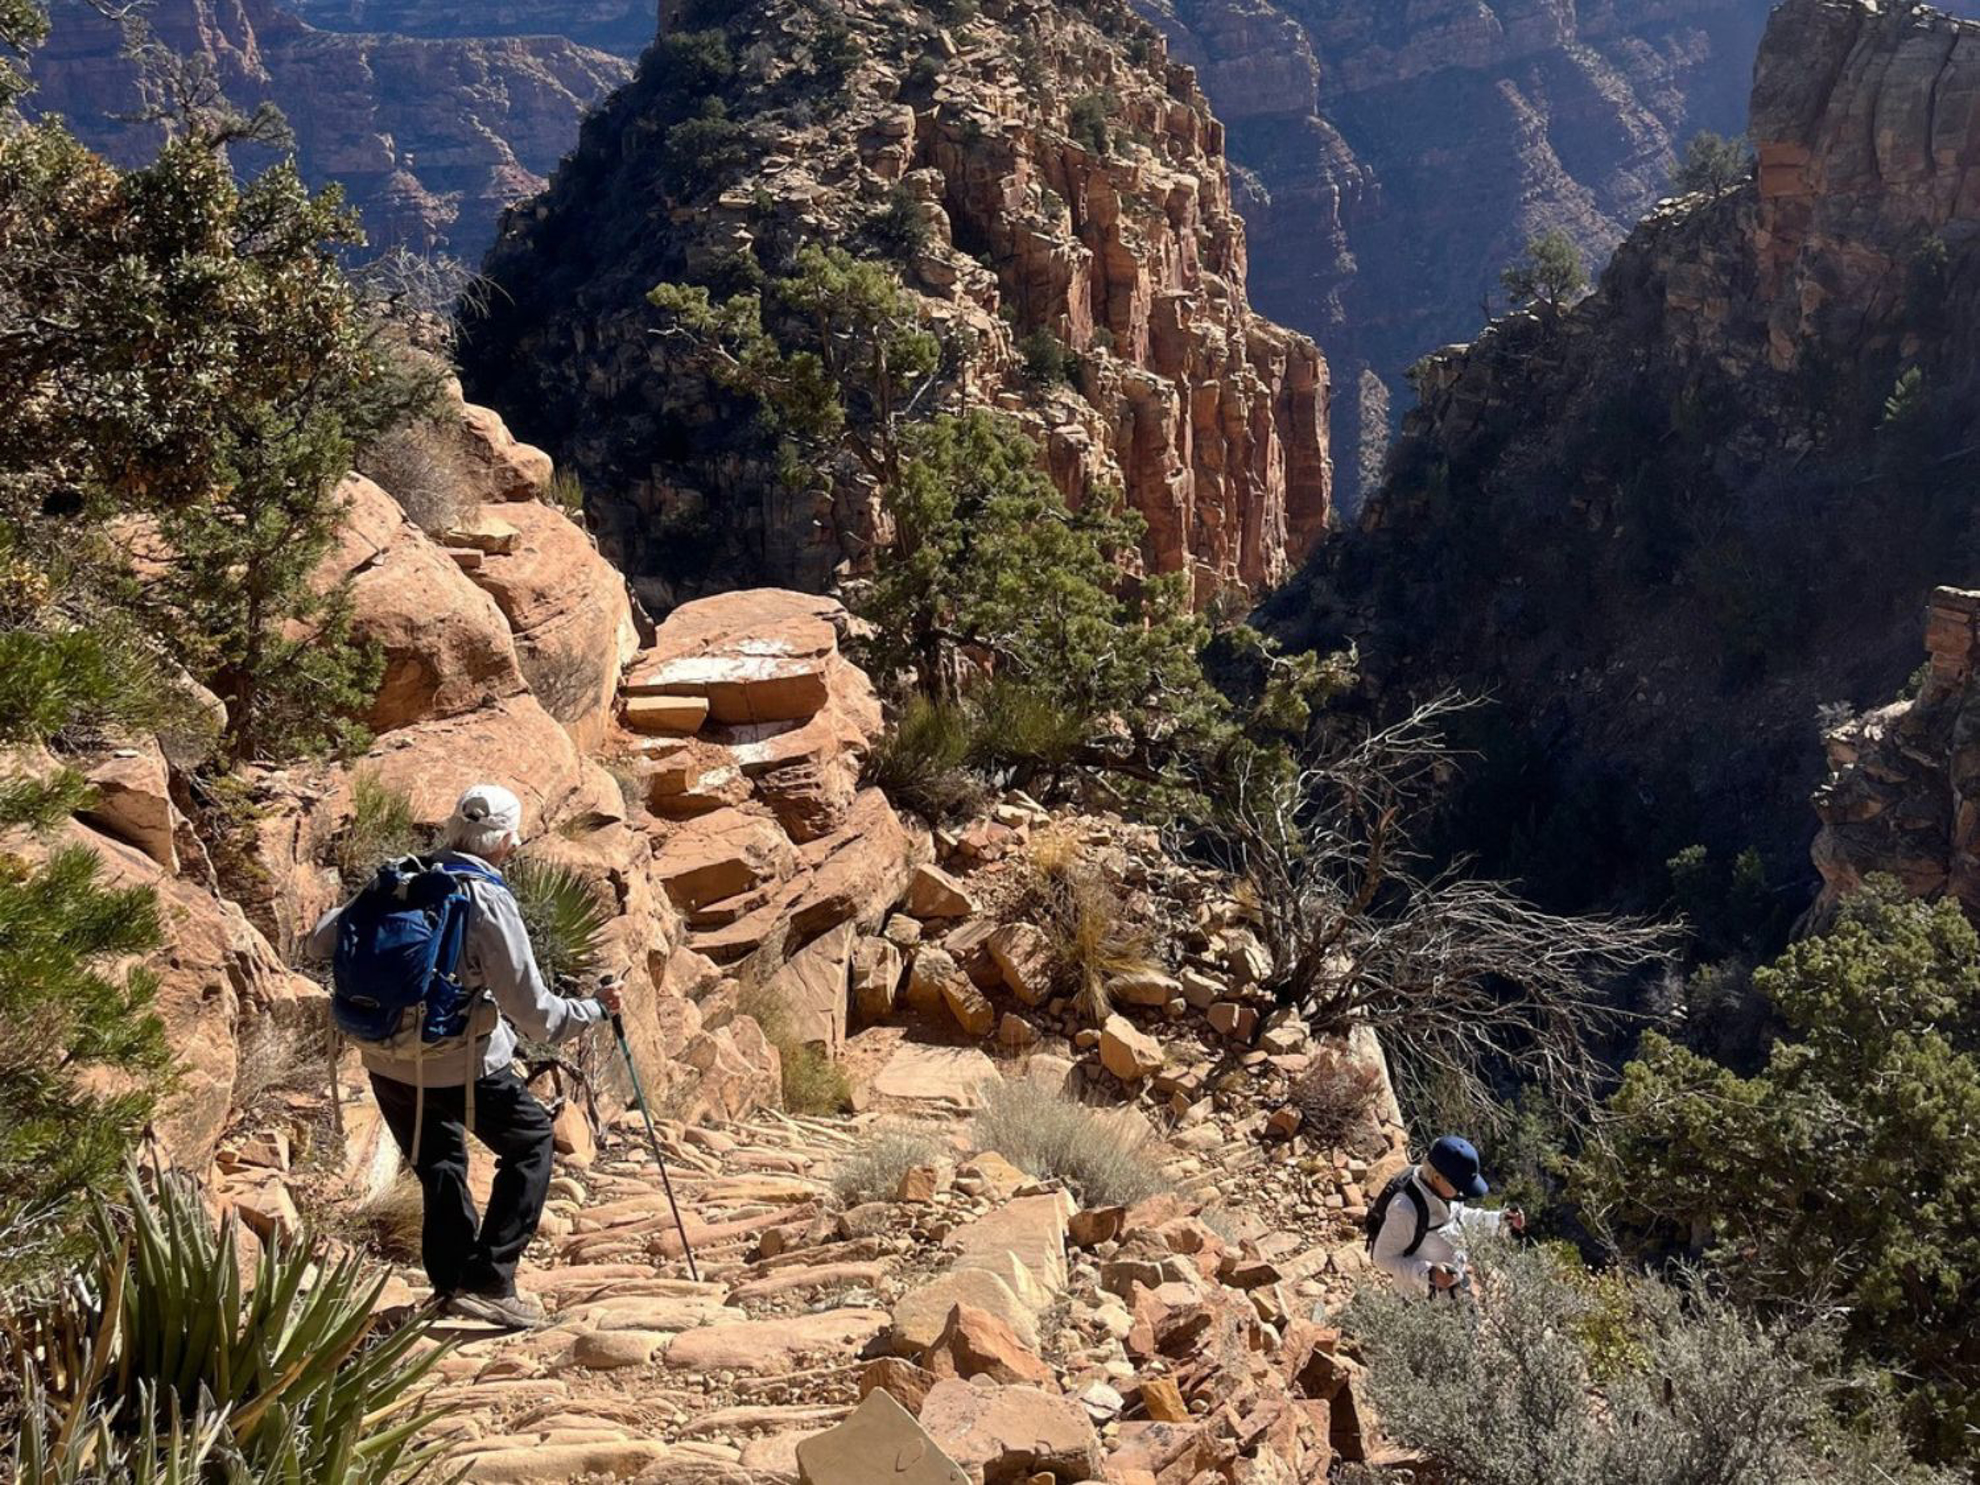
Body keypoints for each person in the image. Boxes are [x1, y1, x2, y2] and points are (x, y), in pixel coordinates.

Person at [307, 783, 621, 1329]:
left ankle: (451, 1284)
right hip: (459, 1060)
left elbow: (318, 942)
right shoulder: (486, 899)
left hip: (383, 1058)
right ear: (505, 844)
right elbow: (537, 1015)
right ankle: (490, 1280)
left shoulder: (399, 874)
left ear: (454, 828)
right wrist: (594, 1009)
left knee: (438, 1163)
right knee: (531, 1145)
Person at [1368, 1135, 1525, 1299]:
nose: (1463, 1192)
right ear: (1437, 1177)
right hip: (1421, 1302)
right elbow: (1383, 1258)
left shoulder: (1443, 1193)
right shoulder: (1405, 1209)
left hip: (1455, 1291)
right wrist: (1429, 1273)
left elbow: (1460, 1217)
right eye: (1460, 1187)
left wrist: (1500, 1220)